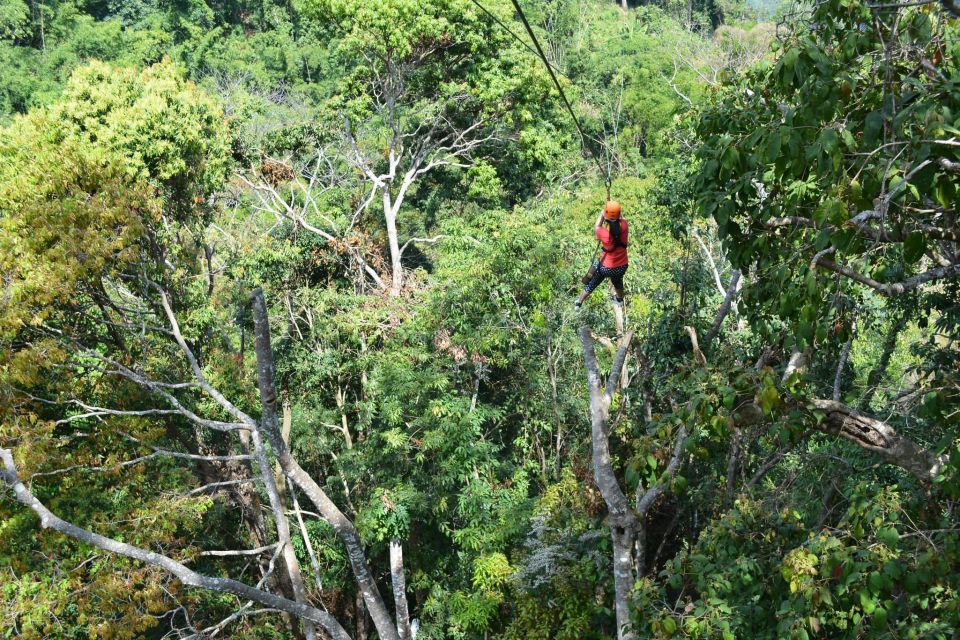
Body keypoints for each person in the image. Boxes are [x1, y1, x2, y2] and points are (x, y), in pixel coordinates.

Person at [576, 200, 629, 310]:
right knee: (617, 281)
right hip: (622, 266)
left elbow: (597, 226)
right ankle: (619, 299)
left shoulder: (603, 232)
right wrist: (612, 212)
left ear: (606, 216)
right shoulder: (625, 225)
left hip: (606, 268)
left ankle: (579, 302)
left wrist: (602, 214)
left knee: (594, 279)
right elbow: (621, 218)